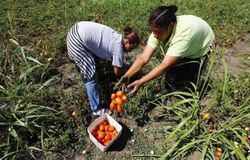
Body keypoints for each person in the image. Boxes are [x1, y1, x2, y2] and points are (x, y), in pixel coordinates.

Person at [117, 5, 215, 96]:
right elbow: (143, 57)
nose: (154, 35)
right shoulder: (159, 30)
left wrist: (141, 81)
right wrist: (127, 76)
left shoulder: (183, 35)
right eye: (153, 31)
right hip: (187, 41)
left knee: (191, 84)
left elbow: (164, 66)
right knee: (172, 77)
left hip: (202, 45)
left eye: (158, 32)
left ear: (171, 26)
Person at [66, 21, 139, 115]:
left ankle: (86, 71)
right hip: (77, 42)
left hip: (75, 30)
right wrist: (129, 74)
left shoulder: (117, 36)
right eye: (131, 48)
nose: (129, 52)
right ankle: (97, 110)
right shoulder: (118, 49)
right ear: (126, 41)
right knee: (90, 77)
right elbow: (117, 72)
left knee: (93, 64)